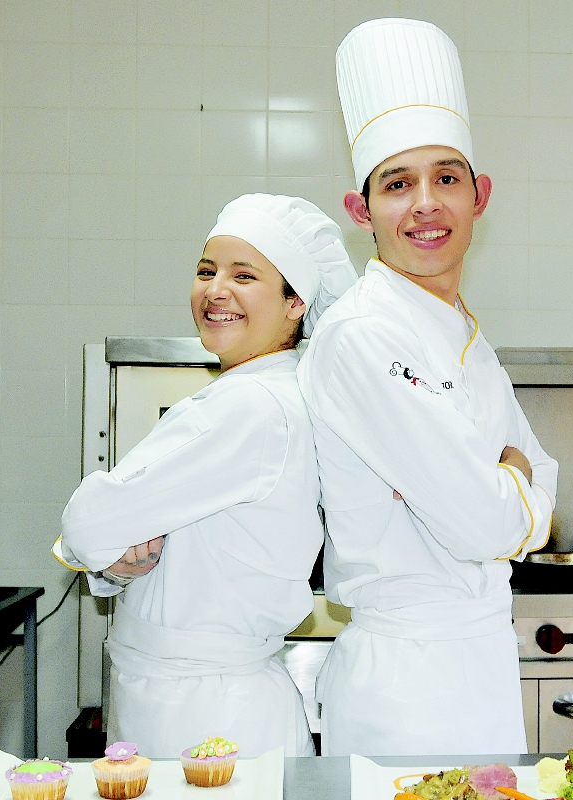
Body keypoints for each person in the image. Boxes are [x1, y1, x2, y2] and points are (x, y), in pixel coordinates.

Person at [297, 19, 559, 756]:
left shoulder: (462, 332)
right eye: (397, 184)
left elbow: (542, 472)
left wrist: (512, 486)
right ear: (361, 210)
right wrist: (514, 486)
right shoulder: (365, 334)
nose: (425, 205)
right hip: (405, 687)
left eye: (445, 178)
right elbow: (488, 524)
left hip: (478, 664)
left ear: (479, 195)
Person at [55, 194, 357, 757]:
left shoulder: (248, 407)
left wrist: (97, 547)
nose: (216, 290)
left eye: (245, 276)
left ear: (296, 303)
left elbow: (86, 524)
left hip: (203, 720)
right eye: (206, 271)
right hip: (204, 702)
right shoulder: (272, 393)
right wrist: (118, 563)